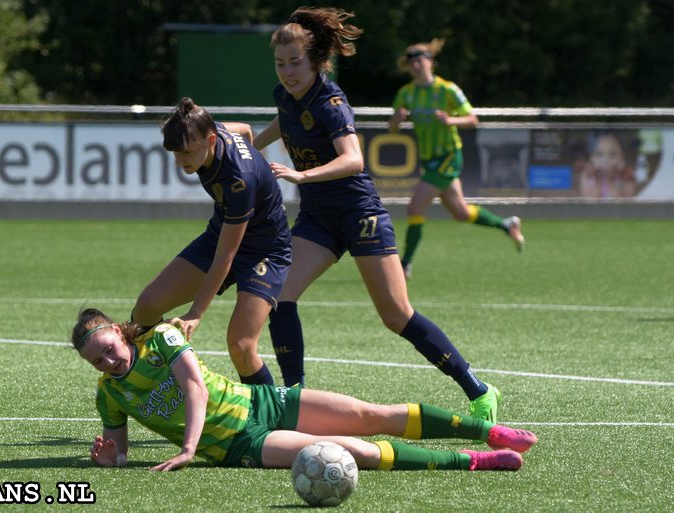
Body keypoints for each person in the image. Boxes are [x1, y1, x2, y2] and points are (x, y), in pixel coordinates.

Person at [252, 7, 502, 424]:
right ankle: (293, 397)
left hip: (359, 213)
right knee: (279, 296)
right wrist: (251, 148)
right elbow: (284, 120)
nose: (288, 71)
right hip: (318, 217)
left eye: (296, 62)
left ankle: (477, 389)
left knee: (396, 315)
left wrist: (301, 174)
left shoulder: (331, 102)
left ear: (314, 61)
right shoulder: (286, 96)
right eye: (281, 63)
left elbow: (353, 159)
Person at [73, 308, 538, 472]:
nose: (109, 362)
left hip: (262, 402)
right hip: (244, 443)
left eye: (109, 349)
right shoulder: (109, 394)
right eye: (98, 360)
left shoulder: (161, 339)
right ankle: (477, 460)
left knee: (371, 414)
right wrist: (107, 457)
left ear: (119, 331)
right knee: (359, 451)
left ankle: (488, 431)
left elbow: (194, 386)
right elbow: (119, 453)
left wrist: (188, 447)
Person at [131, 97, 291, 386]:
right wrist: (258, 161)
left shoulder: (238, 180)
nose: (181, 161)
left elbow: (225, 258)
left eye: (187, 152)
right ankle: (155, 381)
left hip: (264, 253)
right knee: (147, 306)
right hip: (223, 232)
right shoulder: (208, 128)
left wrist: (196, 313)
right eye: (175, 153)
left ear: (211, 139)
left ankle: (274, 418)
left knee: (241, 345)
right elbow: (243, 129)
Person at [388, 38, 526, 279]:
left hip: (449, 156)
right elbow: (392, 129)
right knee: (461, 213)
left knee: (415, 207)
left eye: (420, 60)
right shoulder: (406, 94)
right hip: (430, 159)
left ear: (431, 62)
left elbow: (472, 119)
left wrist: (451, 120)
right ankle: (507, 225)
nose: (416, 66)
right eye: (412, 63)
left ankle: (405, 264)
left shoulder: (447, 90)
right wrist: (397, 120)